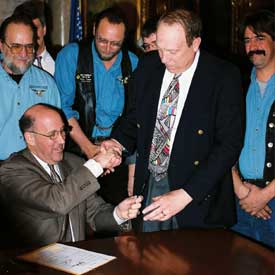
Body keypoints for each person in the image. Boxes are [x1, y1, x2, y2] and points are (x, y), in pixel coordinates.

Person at [103, 9, 243, 232]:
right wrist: (117, 143)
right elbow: (134, 118)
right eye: (160, 48)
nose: (164, 58)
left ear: (195, 43)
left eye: (173, 51)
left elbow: (229, 145)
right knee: (149, 259)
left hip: (198, 191)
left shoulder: (223, 76)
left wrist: (187, 194)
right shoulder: (149, 65)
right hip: (151, 182)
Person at [0, 103, 143, 247]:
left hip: (77, 261)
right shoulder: (11, 171)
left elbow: (95, 214)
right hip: (34, 265)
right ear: (30, 138)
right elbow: (55, 202)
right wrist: (97, 163)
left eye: (63, 131)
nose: (62, 140)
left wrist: (118, 214)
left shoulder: (74, 163)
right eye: (52, 134)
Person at [54, 7, 138, 204]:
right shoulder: (71, 56)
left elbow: (134, 114)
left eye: (115, 43)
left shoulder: (132, 62)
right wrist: (90, 149)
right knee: (79, 209)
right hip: (77, 149)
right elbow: (62, 108)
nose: (107, 48)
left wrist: (116, 149)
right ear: (93, 30)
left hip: (117, 152)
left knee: (115, 214)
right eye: (102, 40)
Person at [231, 10, 275, 248]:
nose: (253, 46)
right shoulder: (235, 85)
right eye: (247, 41)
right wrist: (241, 191)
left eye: (260, 38)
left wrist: (264, 195)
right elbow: (221, 140)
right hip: (240, 198)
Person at [0, 14, 60, 161]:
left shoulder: (47, 83)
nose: (24, 53)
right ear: (1, 46)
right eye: (16, 47)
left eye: (29, 46)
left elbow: (57, 134)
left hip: (36, 172)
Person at [13, 0, 55, 75]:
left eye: (35, 29)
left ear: (44, 29)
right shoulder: (12, 65)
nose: (32, 36)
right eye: (26, 31)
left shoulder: (60, 58)